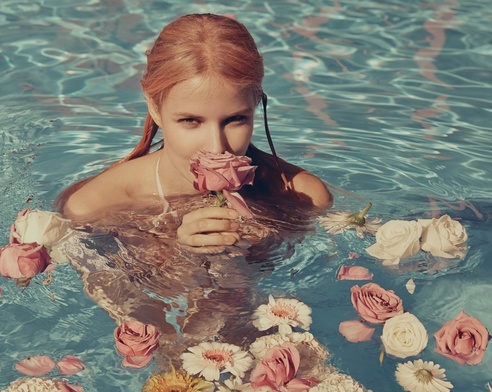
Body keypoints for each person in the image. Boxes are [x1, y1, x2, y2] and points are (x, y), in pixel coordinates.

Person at [54, 14, 332, 252]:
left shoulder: (302, 197)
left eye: (235, 119)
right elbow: (123, 307)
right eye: (190, 121)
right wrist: (182, 258)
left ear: (256, 104)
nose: (216, 147)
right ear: (154, 107)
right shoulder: (92, 207)